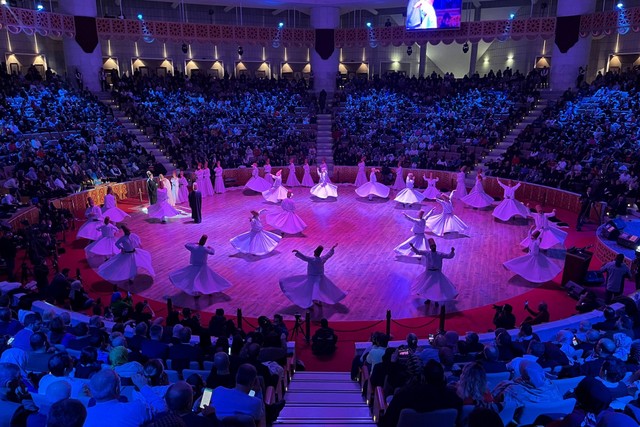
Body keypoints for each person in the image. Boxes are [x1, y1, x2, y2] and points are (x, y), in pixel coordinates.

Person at [279, 244, 346, 308]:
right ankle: (318, 301)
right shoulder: (322, 259)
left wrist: (297, 252)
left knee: (311, 290)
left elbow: (304, 257)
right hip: (320, 277)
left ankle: (311, 302)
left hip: (312, 278)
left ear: (315, 252)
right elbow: (328, 255)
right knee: (320, 289)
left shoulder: (312, 260)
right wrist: (332, 249)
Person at [409, 239, 457, 307]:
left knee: (436, 288)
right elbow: (418, 252)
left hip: (437, 274)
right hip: (429, 273)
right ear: (430, 247)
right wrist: (413, 247)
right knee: (428, 287)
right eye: (432, 246)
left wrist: (452, 251)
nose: (434, 247)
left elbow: (449, 256)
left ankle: (436, 300)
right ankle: (429, 299)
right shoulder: (427, 253)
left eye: (434, 246)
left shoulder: (440, 254)